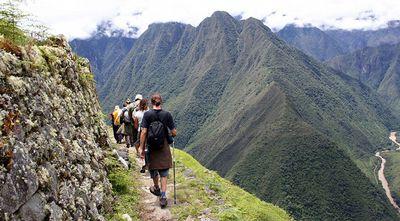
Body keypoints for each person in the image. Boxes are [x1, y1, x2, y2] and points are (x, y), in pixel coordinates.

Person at [139, 93, 176, 208]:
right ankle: (163, 197)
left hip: (151, 147)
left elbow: (144, 132)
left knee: (153, 169)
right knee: (164, 172)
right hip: (163, 146)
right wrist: (170, 133)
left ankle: (156, 188)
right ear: (161, 102)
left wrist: (141, 147)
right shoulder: (167, 115)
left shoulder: (147, 115)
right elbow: (174, 132)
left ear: (151, 102)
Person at [134, 99, 149, 165]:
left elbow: (136, 125)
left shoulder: (137, 114)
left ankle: (140, 155)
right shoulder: (149, 112)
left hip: (140, 130)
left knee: (138, 144)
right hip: (149, 131)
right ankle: (148, 160)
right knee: (147, 145)